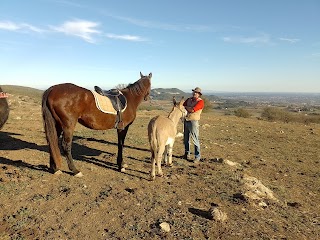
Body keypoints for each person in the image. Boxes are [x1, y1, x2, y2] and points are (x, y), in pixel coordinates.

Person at [183, 87, 204, 163]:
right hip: (186, 120)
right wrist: (187, 107)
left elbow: (192, 110)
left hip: (194, 121)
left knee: (195, 139)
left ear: (199, 94)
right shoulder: (189, 99)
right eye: (194, 92)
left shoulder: (200, 102)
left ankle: (197, 156)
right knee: (186, 139)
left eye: (196, 92)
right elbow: (182, 106)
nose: (194, 93)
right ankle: (186, 154)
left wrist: (186, 107)